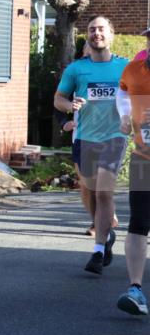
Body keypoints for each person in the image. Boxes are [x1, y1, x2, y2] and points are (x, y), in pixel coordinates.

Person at [54, 16, 129, 275]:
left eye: (101, 29)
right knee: (89, 189)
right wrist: (69, 106)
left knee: (104, 192)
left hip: (115, 138)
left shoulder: (125, 67)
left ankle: (98, 250)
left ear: (111, 34)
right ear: (88, 36)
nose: (96, 33)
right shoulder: (76, 69)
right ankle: (107, 235)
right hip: (86, 138)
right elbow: (59, 98)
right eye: (92, 30)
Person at [115, 27, 150, 315]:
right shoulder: (133, 69)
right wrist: (125, 116)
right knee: (138, 220)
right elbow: (122, 93)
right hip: (143, 157)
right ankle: (135, 289)